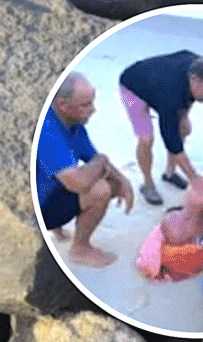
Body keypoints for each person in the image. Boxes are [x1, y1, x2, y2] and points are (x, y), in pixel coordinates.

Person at [36, 72, 134, 267]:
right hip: (34, 210)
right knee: (100, 189)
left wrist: (123, 180)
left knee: (112, 182)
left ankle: (57, 226)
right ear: (63, 105)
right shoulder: (47, 131)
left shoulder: (73, 124)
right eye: (86, 105)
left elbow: (94, 157)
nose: (93, 110)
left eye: (92, 102)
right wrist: (102, 161)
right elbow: (79, 182)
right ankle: (80, 249)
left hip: (46, 189)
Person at [119, 50, 203, 206]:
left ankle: (169, 174)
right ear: (195, 80)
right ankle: (148, 184)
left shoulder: (199, 68)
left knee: (184, 128)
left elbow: (190, 93)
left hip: (159, 82)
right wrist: (195, 179)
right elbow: (171, 141)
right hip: (133, 87)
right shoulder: (171, 94)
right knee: (146, 139)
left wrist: (184, 117)